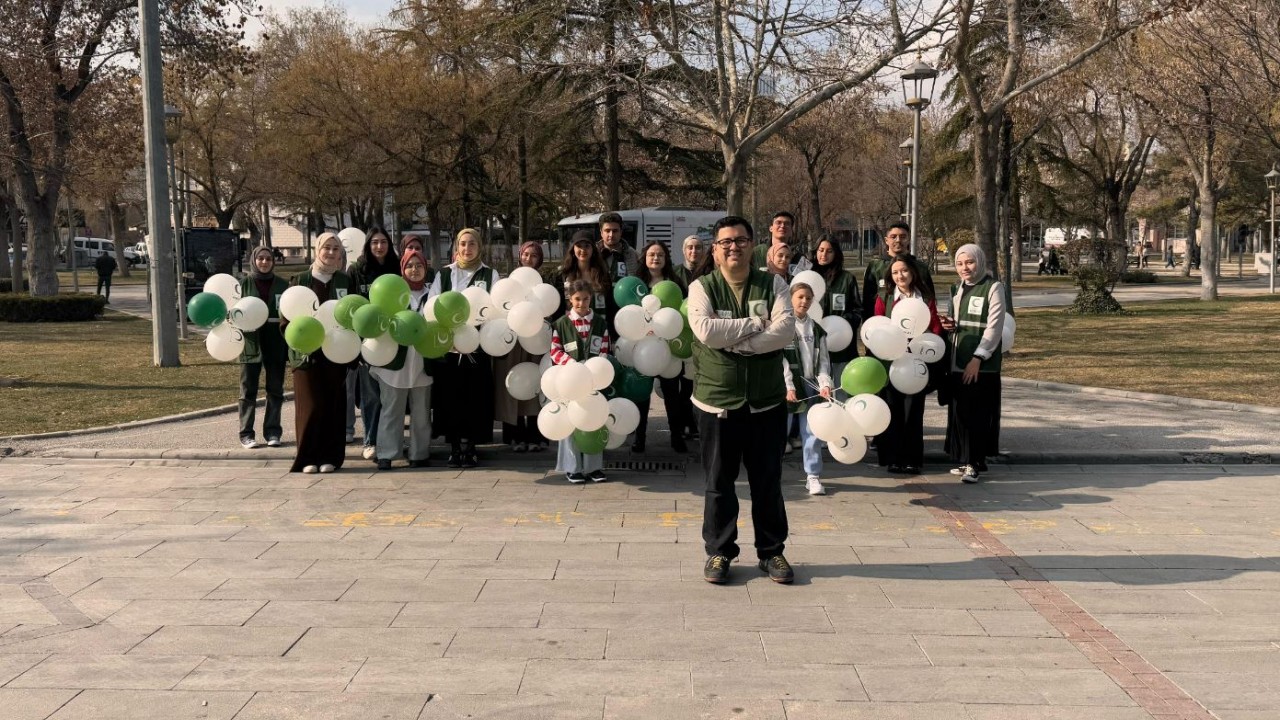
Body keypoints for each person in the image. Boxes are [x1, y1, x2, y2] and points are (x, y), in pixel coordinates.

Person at [688, 215, 796, 585]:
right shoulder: (702, 287)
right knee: (719, 482)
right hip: (716, 401)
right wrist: (753, 326)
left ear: (753, 244)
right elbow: (705, 330)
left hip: (766, 402)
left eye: (740, 240)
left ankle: (772, 552)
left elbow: (783, 331)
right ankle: (719, 552)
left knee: (767, 482)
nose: (733, 247)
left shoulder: (774, 284)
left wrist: (733, 338)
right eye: (725, 242)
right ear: (715, 250)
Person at [428, 228, 498, 468]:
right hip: (449, 348)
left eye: (472, 244)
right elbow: (433, 304)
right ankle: (455, 447)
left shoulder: (490, 274)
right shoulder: (445, 274)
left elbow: (495, 308)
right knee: (450, 398)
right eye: (463, 244)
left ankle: (472, 447)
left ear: (480, 247)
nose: (467, 249)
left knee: (475, 399)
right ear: (456, 247)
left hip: (477, 347)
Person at [287, 232, 353, 474]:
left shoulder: (345, 282)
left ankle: (330, 457)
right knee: (311, 406)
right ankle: (307, 458)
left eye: (336, 249)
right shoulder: (300, 280)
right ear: (317, 250)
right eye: (327, 248)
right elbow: (287, 318)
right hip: (307, 355)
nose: (332, 253)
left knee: (333, 406)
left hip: (336, 354)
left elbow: (353, 316)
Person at [940, 243, 1006, 485]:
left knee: (978, 414)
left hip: (981, 365)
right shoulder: (958, 288)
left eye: (969, 262)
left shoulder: (993, 287)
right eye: (959, 263)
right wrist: (950, 325)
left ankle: (974, 462)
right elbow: (962, 321)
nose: (964, 268)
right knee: (961, 413)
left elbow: (995, 327)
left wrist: (978, 358)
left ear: (980, 261)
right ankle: (967, 459)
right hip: (957, 361)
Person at [874, 256, 943, 475]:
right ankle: (892, 458)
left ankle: (912, 459)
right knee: (893, 410)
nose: (900, 276)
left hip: (916, 364)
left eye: (903, 271)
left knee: (913, 411)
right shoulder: (884, 298)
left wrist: (921, 343)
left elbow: (935, 328)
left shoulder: (925, 298)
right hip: (891, 364)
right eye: (895, 273)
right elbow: (877, 327)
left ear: (912, 272)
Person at [371, 250, 433, 470]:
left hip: (422, 361)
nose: (414, 270)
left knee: (421, 411)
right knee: (392, 409)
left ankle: (419, 453)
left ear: (425, 269)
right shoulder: (394, 292)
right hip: (395, 361)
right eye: (410, 266)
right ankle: (387, 452)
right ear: (402, 269)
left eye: (419, 265)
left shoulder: (433, 294)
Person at [549, 280, 612, 483]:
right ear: (570, 299)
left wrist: (595, 368)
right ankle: (573, 467)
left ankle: (594, 467)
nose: (581, 303)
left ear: (591, 299)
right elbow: (555, 351)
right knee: (571, 423)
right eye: (577, 299)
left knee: (593, 420)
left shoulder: (601, 323)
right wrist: (572, 366)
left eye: (585, 299)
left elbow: (604, 349)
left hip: (594, 381)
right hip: (570, 380)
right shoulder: (560, 324)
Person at [633, 241, 693, 453]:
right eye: (651, 254)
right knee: (641, 395)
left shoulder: (675, 283)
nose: (655, 258)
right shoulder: (636, 284)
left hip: (670, 349)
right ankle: (639, 438)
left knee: (672, 395)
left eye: (660, 254)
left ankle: (676, 437)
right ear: (644, 258)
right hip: (642, 348)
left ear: (666, 258)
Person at [349, 228, 400, 460]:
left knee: (390, 396)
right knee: (370, 396)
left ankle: (391, 441)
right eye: (374, 243)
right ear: (368, 245)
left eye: (383, 242)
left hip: (393, 340)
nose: (379, 246)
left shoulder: (397, 267)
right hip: (367, 342)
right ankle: (370, 441)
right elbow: (348, 307)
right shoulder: (356, 270)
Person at [494, 241, 549, 452]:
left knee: (534, 383)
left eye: (534, 255)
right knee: (513, 384)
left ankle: (535, 434)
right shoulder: (510, 281)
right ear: (520, 256)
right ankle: (513, 435)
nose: (529, 259)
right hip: (512, 340)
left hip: (536, 340)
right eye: (526, 254)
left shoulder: (545, 283)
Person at [782, 282, 833, 496]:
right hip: (788, 387)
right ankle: (770, 474)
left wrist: (825, 384)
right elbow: (780, 360)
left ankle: (813, 476)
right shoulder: (783, 326)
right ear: (791, 298)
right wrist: (788, 385)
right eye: (800, 297)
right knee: (778, 431)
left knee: (811, 432)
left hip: (811, 386)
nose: (804, 301)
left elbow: (823, 361)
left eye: (808, 298)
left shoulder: (817, 329)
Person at [237, 246, 289, 450]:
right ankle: (246, 433)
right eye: (260, 259)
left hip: (276, 343)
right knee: (248, 390)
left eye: (268, 259)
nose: (265, 262)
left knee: (275, 390)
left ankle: (273, 431)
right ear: (254, 260)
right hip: (250, 344)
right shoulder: (243, 285)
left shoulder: (284, 285)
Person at [811, 236, 861, 392]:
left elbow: (857, 310)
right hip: (813, 349)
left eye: (829, 251)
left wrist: (840, 325)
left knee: (840, 394)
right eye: (821, 250)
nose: (824, 255)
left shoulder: (847, 278)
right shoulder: (807, 277)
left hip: (841, 350)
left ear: (836, 254)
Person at [861, 222, 934, 322]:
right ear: (886, 240)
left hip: (915, 324)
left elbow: (930, 299)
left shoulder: (920, 267)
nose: (898, 240)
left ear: (909, 239)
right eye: (893, 236)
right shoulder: (875, 267)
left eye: (903, 236)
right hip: (884, 327)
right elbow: (867, 301)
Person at [556, 230, 612, 320]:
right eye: (579, 246)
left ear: (593, 249)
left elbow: (609, 306)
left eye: (587, 246)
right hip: (571, 328)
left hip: (597, 328)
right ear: (573, 248)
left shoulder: (602, 275)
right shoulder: (563, 275)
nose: (583, 250)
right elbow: (559, 307)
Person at [597, 211, 640, 283]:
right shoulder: (592, 253)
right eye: (607, 231)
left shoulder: (634, 255)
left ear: (621, 232)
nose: (611, 235)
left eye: (615, 231)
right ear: (601, 232)